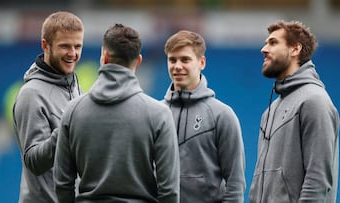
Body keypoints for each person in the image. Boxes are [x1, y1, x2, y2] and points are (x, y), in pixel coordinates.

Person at [54, 23, 180, 203]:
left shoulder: (73, 111)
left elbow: (62, 184)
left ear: (104, 58)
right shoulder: (159, 114)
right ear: (138, 61)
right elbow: (169, 191)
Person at [249, 20, 339, 202]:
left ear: (295, 49)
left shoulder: (315, 101)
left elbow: (318, 181)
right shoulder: (270, 111)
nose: (264, 49)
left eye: (273, 43)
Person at [162, 30, 246, 202]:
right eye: (172, 60)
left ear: (202, 62)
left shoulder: (222, 115)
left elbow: (235, 183)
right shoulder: (156, 113)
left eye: (185, 59)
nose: (177, 66)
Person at [12, 11, 84, 203]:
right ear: (45, 45)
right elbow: (33, 161)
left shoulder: (74, 84)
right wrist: (68, 128)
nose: (73, 53)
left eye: (78, 46)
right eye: (65, 46)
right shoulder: (31, 94)